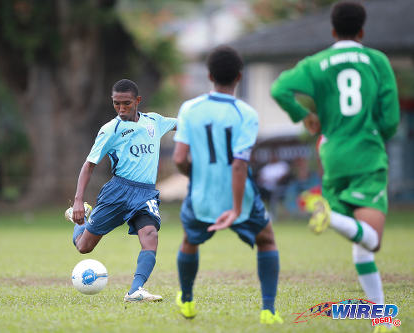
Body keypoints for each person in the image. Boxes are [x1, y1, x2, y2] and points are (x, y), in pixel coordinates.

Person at [271, 2, 399, 331]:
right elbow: (391, 120)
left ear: (332, 31)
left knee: (361, 248)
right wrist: (379, 133)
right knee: (372, 240)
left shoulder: (318, 62)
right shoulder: (377, 60)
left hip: (331, 152)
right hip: (366, 153)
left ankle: (381, 318)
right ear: (361, 31)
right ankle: (331, 214)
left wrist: (306, 117)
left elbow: (279, 88)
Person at [173, 46, 283, 324]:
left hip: (202, 196)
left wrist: (197, 177)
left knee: (189, 240)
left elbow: (179, 159)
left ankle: (186, 299)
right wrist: (235, 209)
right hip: (240, 197)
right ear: (239, 77)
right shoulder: (247, 113)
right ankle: (268, 310)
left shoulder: (190, 108)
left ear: (209, 75)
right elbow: (238, 164)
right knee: (266, 239)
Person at [70, 79, 176, 302]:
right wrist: (78, 200)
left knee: (150, 236)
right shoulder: (110, 130)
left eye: (126, 103)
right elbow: (89, 165)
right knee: (84, 247)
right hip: (118, 192)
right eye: (116, 103)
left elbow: (182, 124)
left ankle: (135, 290)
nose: (121, 108)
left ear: (137, 101)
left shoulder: (154, 122)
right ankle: (79, 221)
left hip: (146, 193)